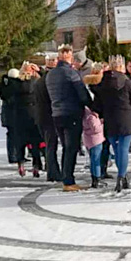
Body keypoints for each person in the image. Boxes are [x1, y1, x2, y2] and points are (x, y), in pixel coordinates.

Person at [93, 56, 131, 192]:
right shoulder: (127, 82)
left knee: (116, 149)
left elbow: (97, 105)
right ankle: (122, 176)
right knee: (123, 149)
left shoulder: (102, 83)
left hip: (110, 120)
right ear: (121, 67)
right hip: (126, 118)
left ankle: (123, 176)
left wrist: (101, 114)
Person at [47, 44, 93, 192]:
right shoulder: (71, 73)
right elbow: (82, 94)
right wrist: (93, 107)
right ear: (69, 56)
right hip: (71, 113)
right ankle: (68, 181)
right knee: (71, 148)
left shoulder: (50, 75)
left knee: (66, 147)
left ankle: (65, 177)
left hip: (56, 114)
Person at [10, 63, 45, 178]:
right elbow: (44, 83)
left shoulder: (15, 84)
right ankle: (36, 165)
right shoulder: (35, 82)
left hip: (19, 116)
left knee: (20, 143)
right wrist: (39, 72)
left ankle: (20, 163)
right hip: (33, 114)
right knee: (35, 143)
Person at [33, 54, 62, 182]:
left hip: (41, 115)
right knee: (51, 146)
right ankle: (53, 172)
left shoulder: (39, 81)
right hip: (49, 115)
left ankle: (52, 170)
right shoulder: (49, 82)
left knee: (49, 145)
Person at [82, 104, 105, 188]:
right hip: (96, 140)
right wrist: (102, 123)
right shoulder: (92, 116)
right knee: (96, 160)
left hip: (88, 140)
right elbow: (96, 129)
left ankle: (94, 178)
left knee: (92, 160)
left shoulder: (84, 114)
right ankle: (97, 179)